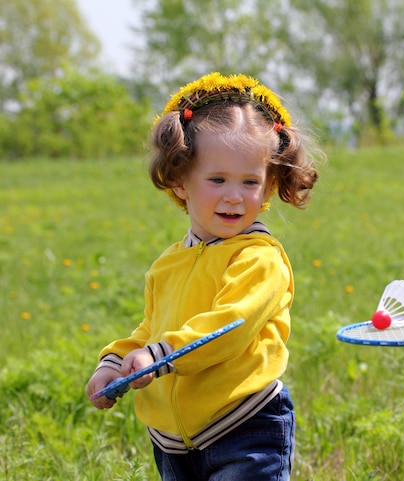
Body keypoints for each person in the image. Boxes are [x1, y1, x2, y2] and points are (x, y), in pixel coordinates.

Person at [86, 72, 321, 480]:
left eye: (250, 182)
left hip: (245, 427)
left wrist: (160, 357)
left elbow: (231, 325)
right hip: (173, 443)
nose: (234, 195)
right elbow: (153, 327)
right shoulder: (168, 263)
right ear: (180, 180)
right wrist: (117, 361)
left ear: (267, 189)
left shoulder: (259, 258)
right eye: (217, 179)